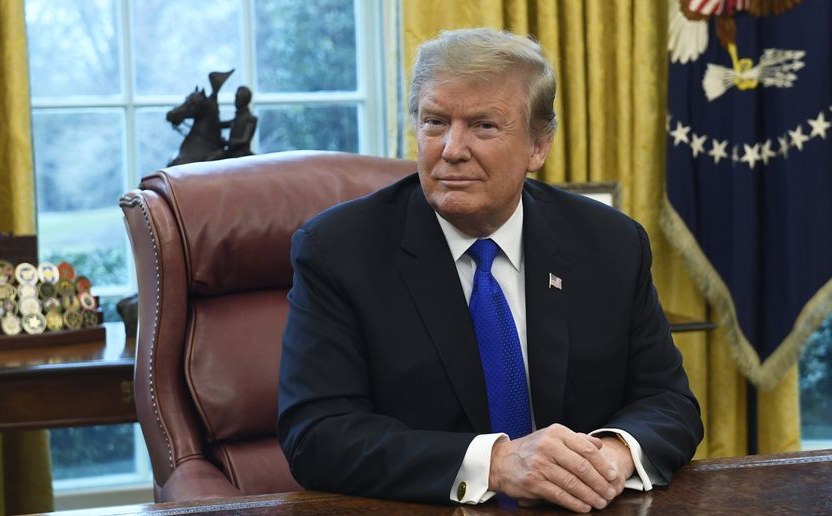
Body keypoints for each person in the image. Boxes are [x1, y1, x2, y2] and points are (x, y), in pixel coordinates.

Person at [278, 28, 703, 513]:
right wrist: (497, 463)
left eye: (484, 126)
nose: (451, 148)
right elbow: (315, 435)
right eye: (435, 122)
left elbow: (669, 402)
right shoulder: (339, 250)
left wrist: (612, 454)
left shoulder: (610, 244)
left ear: (538, 147)